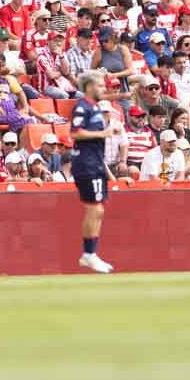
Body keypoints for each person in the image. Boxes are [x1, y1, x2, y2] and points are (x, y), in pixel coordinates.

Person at [70, 70, 119, 273]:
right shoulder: (82, 107)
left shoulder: (95, 107)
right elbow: (75, 132)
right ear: (89, 87)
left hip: (96, 162)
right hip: (86, 163)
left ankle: (90, 254)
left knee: (98, 209)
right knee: (94, 208)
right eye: (99, 85)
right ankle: (89, 254)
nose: (103, 88)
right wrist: (104, 133)